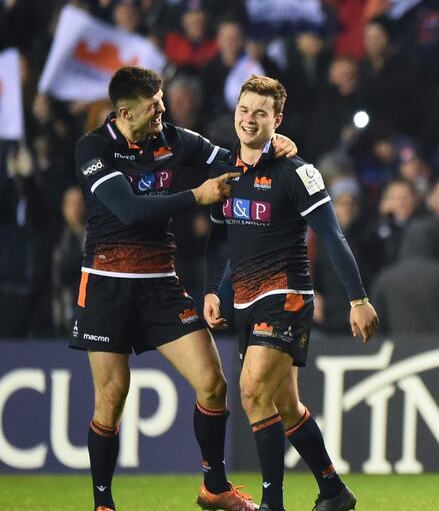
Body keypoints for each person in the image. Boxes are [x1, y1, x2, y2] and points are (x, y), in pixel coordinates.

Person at [71, 66, 299, 511]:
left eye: (162, 100)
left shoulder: (177, 140)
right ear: (124, 112)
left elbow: (239, 164)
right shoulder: (93, 148)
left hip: (160, 284)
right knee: (112, 397)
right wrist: (197, 195)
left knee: (213, 384)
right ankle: (103, 503)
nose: (162, 110)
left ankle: (214, 486)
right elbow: (130, 211)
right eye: (152, 106)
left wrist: (274, 147)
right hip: (106, 285)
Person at [203, 75, 379, 511]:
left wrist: (358, 298)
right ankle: (334, 491)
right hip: (244, 299)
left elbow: (333, 237)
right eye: (244, 110)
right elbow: (223, 241)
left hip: (287, 296)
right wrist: (213, 291)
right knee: (285, 405)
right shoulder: (224, 172)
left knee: (251, 391)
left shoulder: (298, 171)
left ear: (276, 120)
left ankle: (272, 505)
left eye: (261, 113)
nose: (249, 119)